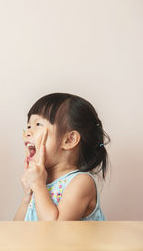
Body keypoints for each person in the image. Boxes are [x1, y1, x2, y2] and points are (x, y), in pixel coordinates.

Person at [14, 93, 108, 221]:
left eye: (38, 125)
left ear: (69, 140)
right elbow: (16, 229)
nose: (28, 132)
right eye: (28, 126)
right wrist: (27, 196)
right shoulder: (42, 181)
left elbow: (56, 230)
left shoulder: (81, 182)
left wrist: (38, 185)